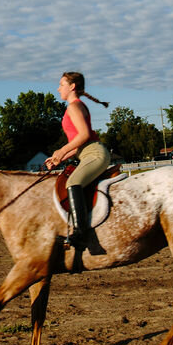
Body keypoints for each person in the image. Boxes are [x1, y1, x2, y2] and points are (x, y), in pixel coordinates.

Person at [44, 72, 110, 248]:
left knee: (73, 183)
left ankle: (81, 233)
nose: (58, 88)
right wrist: (58, 158)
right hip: (86, 153)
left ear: (72, 86)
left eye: (61, 84)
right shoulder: (75, 107)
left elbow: (84, 136)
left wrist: (61, 150)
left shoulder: (74, 107)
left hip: (94, 154)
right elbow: (77, 145)